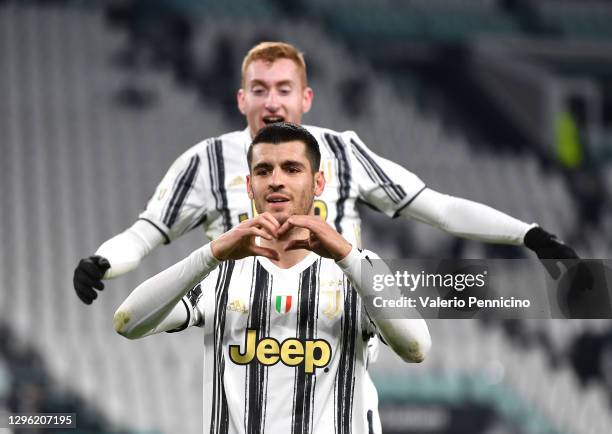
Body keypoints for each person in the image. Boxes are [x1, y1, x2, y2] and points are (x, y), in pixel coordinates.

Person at [74, 41, 579, 305]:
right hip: (242, 348)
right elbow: (147, 234)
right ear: (241, 98)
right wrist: (103, 260)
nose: (272, 101)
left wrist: (528, 234)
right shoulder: (204, 161)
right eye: (260, 88)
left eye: (284, 88)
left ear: (305, 98)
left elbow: (439, 208)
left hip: (339, 348)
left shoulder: (342, 150)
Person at [113, 123, 432, 433]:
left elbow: (416, 347)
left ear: (318, 183)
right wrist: (210, 253)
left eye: (292, 169)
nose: (276, 181)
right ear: (250, 186)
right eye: (264, 171)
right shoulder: (219, 274)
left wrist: (347, 256)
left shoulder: (362, 269)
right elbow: (128, 322)